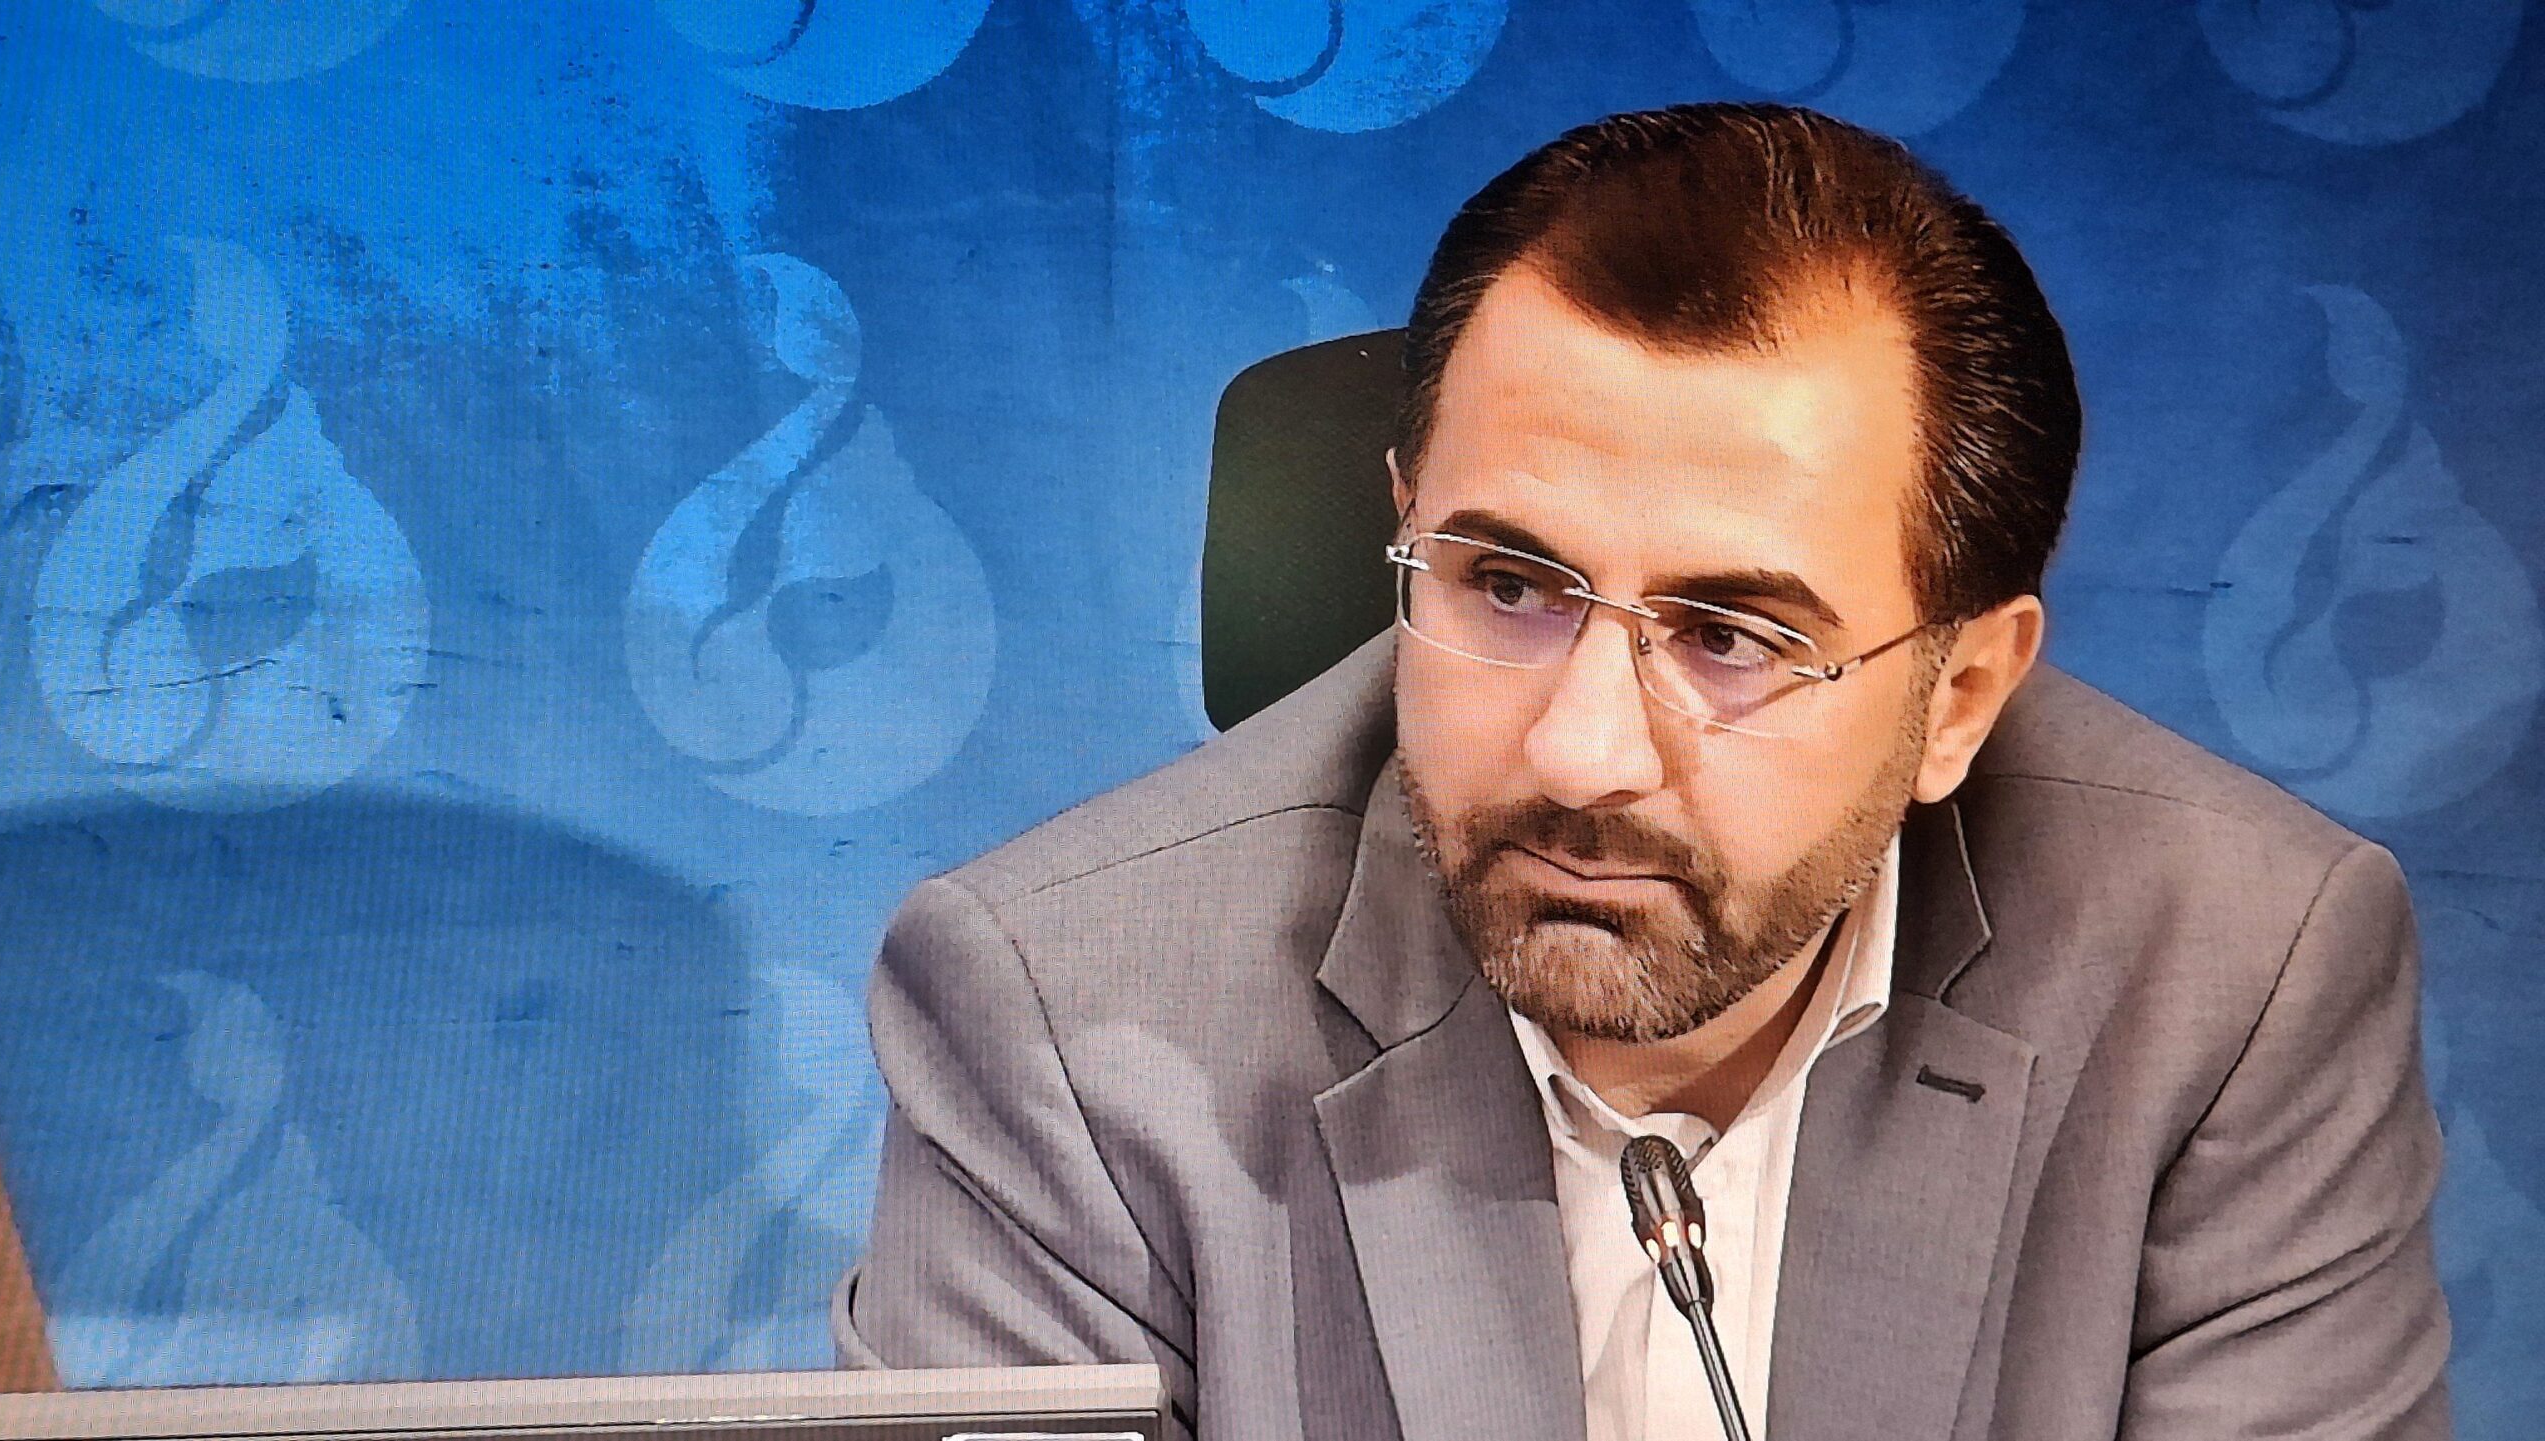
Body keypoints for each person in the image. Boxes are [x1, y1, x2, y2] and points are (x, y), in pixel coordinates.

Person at [835, 103, 2450, 1440]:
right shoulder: (1067, 1018)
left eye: (1732, 635)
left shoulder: (2231, 976)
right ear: (1405, 523)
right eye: (1507, 585)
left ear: (1959, 694)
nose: (1581, 751)